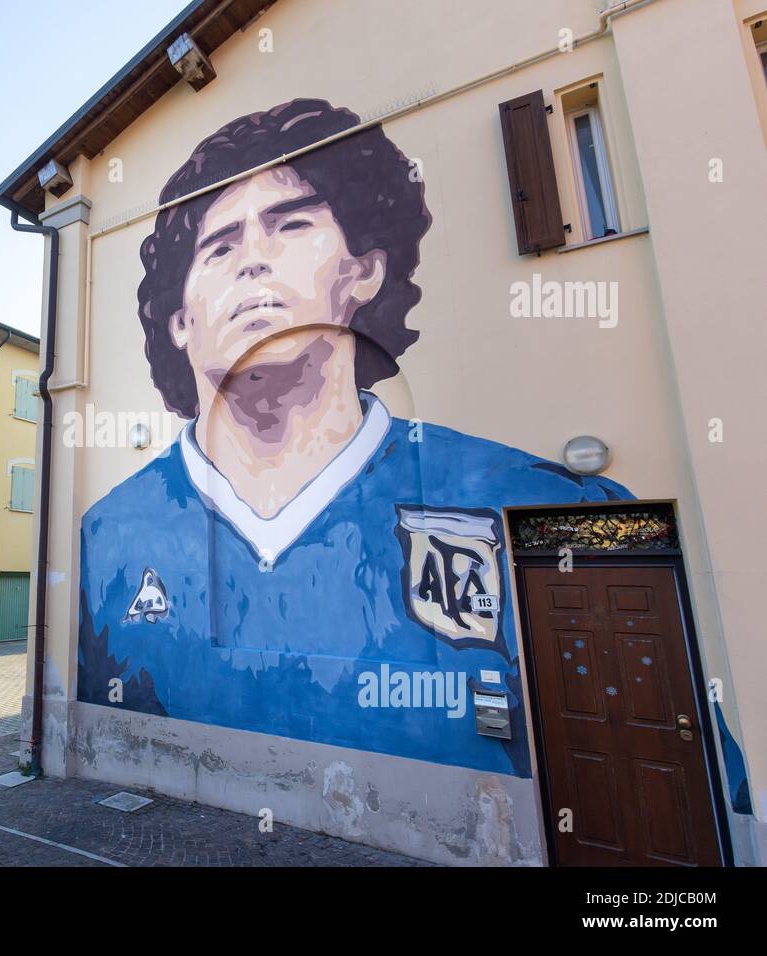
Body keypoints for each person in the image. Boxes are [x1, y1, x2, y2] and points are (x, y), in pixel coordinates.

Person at [77, 99, 632, 776]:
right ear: (180, 321)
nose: (252, 259)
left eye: (291, 224)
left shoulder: (542, 505)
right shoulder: (105, 538)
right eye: (219, 246)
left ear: (364, 269)